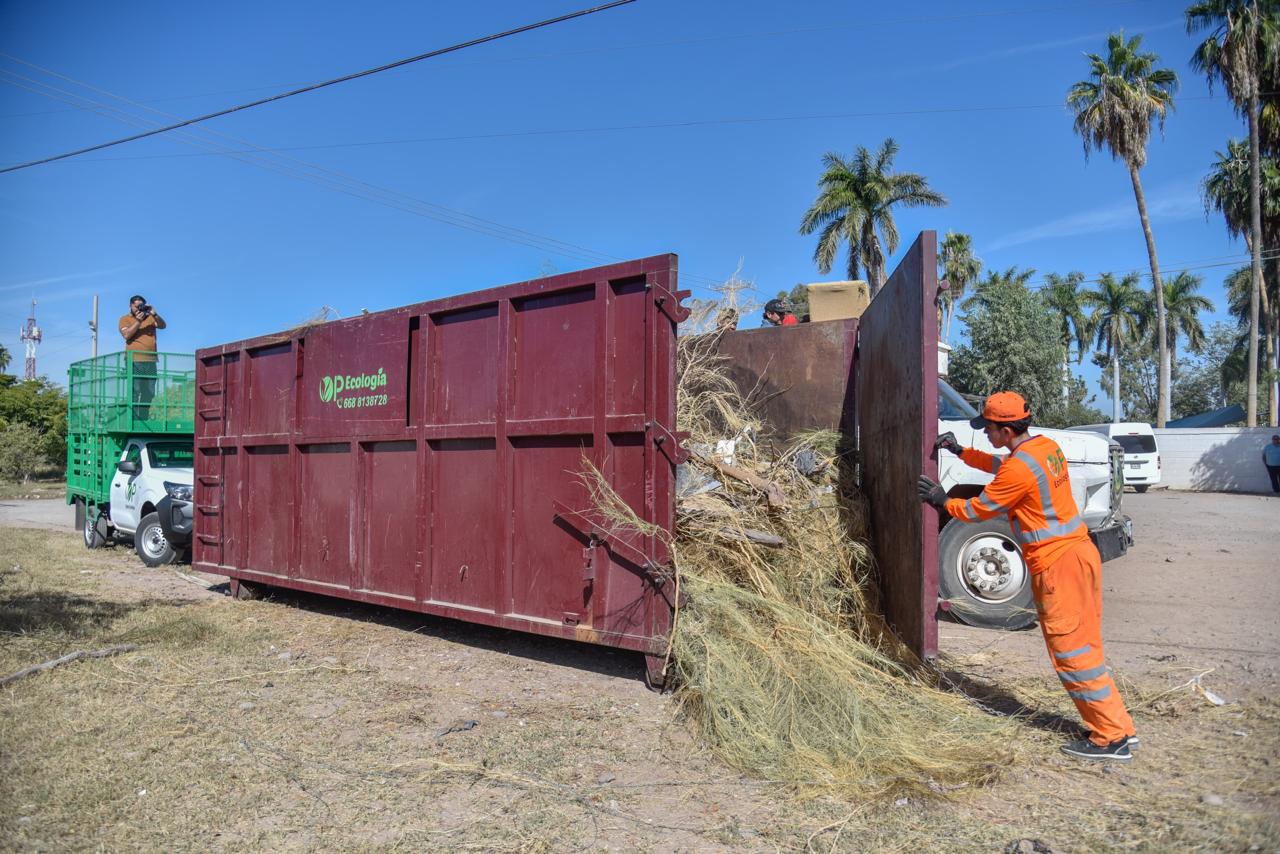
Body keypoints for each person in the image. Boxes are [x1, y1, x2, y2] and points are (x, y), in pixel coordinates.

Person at [916, 391, 1139, 762]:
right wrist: (962, 453)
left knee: (1072, 654)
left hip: (1058, 566)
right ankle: (1119, 728)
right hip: (1079, 555)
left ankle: (1110, 737)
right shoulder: (1043, 449)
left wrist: (942, 500)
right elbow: (1002, 467)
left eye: (987, 428)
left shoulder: (1019, 468)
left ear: (1005, 430)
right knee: (1087, 647)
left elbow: (981, 507)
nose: (985, 434)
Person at [118, 294, 167, 419]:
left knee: (149, 392)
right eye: (136, 305)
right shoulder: (125, 319)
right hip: (134, 360)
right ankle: (132, 419)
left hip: (151, 360)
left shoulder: (150, 318)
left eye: (141, 305)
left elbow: (163, 326)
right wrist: (138, 322)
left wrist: (154, 314)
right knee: (134, 390)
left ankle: (143, 418)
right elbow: (127, 335)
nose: (139, 308)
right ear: (130, 305)